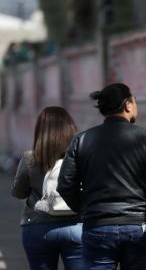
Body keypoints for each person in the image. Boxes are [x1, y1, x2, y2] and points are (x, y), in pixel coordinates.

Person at [57, 83, 146, 270]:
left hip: (97, 226)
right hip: (138, 226)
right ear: (128, 104)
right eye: (135, 102)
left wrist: (86, 210)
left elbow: (65, 184)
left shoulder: (81, 140)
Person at [11, 107, 84, 270]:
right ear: (71, 129)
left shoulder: (30, 158)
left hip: (38, 226)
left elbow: (18, 192)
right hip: (76, 225)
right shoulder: (80, 156)